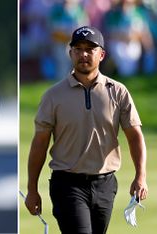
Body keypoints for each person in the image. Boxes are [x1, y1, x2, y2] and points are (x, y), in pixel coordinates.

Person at [24, 25, 148, 234]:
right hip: (67, 184)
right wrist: (32, 189)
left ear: (102, 54)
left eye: (90, 49)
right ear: (70, 52)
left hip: (105, 184)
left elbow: (135, 136)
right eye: (78, 49)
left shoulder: (118, 92)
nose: (83, 54)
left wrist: (141, 176)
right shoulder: (53, 96)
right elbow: (39, 144)